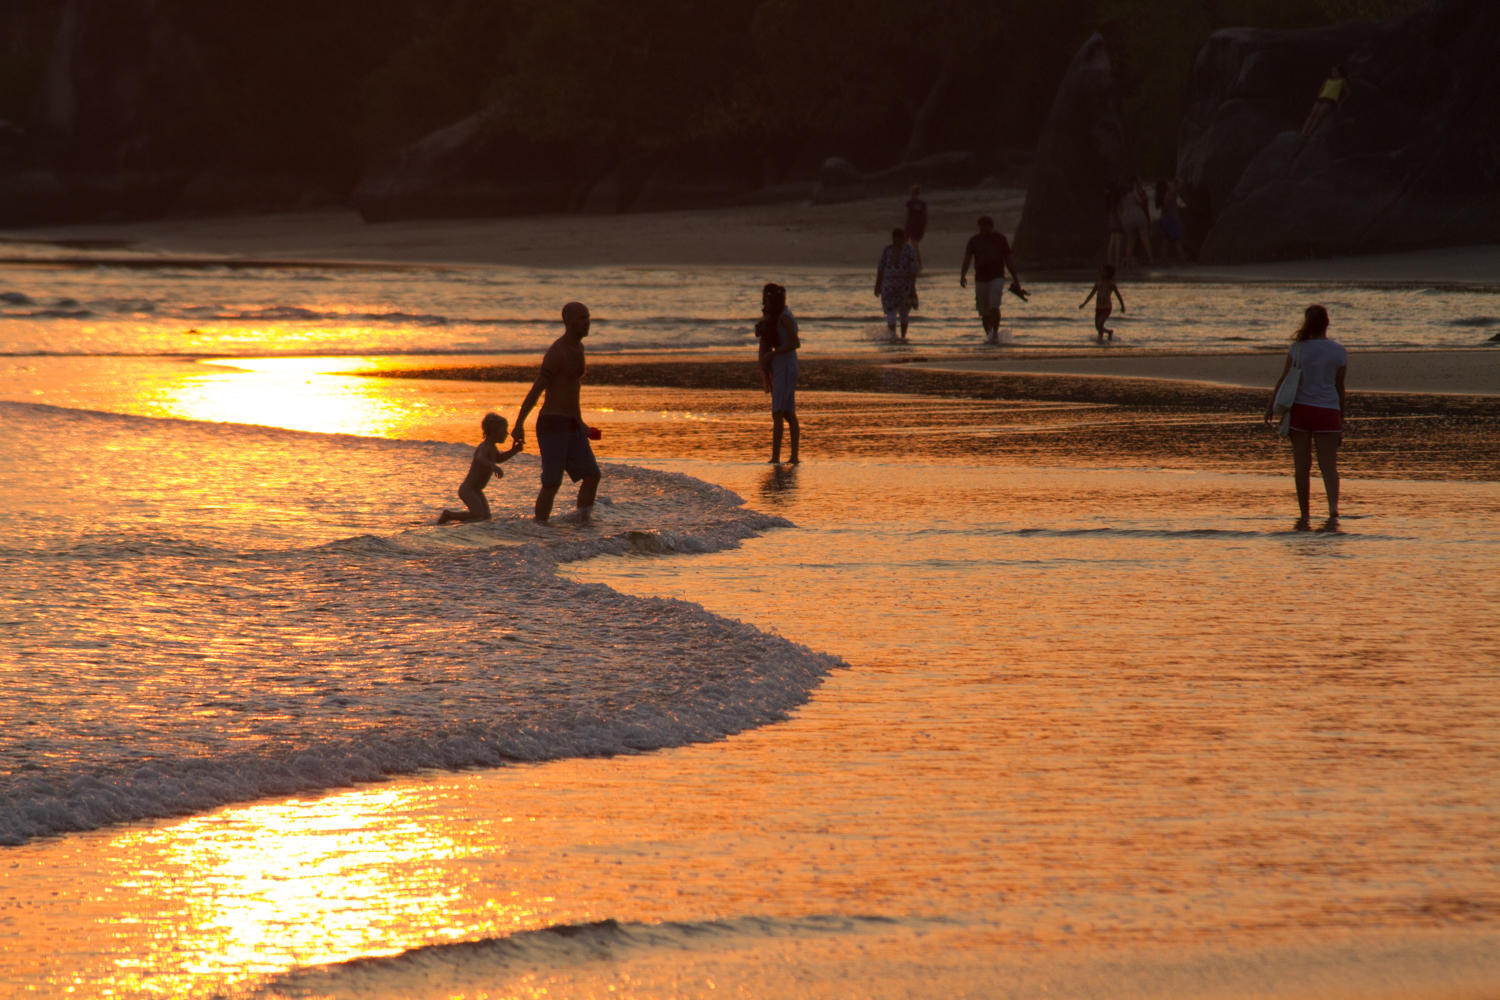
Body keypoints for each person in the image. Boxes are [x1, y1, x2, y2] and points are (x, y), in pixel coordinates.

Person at [512, 301, 602, 523]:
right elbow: (536, 391)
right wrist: (519, 424)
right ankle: (540, 528)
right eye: (582, 318)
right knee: (552, 483)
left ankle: (583, 522)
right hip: (552, 424)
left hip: (571, 423)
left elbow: (572, 389)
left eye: (588, 317)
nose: (587, 322)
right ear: (568, 321)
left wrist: (581, 423)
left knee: (592, 475)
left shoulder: (579, 348)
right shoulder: (557, 352)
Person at [1264, 304, 1347, 529]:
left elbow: (1284, 378)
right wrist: (1341, 418)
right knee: (1329, 466)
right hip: (1328, 411)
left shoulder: (1297, 348)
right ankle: (1333, 508)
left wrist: (1271, 405)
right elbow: (1340, 387)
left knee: (1302, 466)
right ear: (1327, 323)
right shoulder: (1339, 351)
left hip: (1301, 411)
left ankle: (1305, 513)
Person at [437, 412, 523, 523]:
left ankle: (457, 520)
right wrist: (493, 466)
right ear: (494, 432)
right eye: (504, 431)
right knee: (478, 516)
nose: (507, 433)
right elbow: (480, 458)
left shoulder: (492, 447)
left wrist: (514, 450)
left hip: (477, 490)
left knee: (485, 517)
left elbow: (499, 458)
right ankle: (449, 515)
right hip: (468, 489)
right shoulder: (485, 447)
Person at [959, 216, 1022, 344]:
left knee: (994, 306)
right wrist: (962, 275)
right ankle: (989, 336)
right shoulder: (974, 240)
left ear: (991, 227)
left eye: (985, 227)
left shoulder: (1000, 239)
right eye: (981, 227)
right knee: (984, 312)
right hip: (980, 279)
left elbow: (1008, 260)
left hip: (997, 277)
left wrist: (1016, 279)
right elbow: (967, 259)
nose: (983, 230)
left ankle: (995, 333)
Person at [759, 282, 800, 464]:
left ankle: (777, 457)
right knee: (787, 413)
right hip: (781, 365)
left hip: (786, 366)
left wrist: (773, 354)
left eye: (767, 300)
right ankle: (792, 456)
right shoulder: (777, 316)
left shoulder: (784, 317)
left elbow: (795, 343)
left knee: (779, 412)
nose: (765, 304)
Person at [875, 227, 920, 341]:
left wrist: (912, 288)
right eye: (895, 239)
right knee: (891, 312)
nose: (897, 241)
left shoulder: (909, 250)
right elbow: (881, 268)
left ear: (903, 239)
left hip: (904, 287)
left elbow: (914, 269)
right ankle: (893, 337)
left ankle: (903, 336)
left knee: (904, 313)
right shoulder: (888, 250)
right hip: (888, 288)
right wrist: (877, 285)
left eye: (899, 239)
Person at [1078, 264, 1125, 341]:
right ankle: (1101, 340)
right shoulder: (1098, 283)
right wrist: (1084, 304)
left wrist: (1122, 306)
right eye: (1102, 271)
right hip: (1098, 307)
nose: (1102, 272)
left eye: (1104, 271)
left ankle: (1109, 332)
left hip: (1107, 307)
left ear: (1109, 273)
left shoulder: (1111, 284)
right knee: (1097, 327)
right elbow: (1091, 294)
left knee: (1100, 324)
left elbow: (1118, 295)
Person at [1301, 65, 1348, 137]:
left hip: (1330, 99)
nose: (1333, 72)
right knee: (1312, 114)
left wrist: (1341, 102)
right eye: (1333, 71)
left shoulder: (1342, 81)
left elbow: (1348, 92)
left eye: (1335, 71)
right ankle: (1303, 132)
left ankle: (1309, 133)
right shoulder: (1328, 80)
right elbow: (1321, 89)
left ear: (1339, 72)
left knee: (1318, 116)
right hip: (1322, 97)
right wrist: (1319, 95)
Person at [1118, 179, 1154, 266]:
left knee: (1130, 240)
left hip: (1127, 219)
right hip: (1138, 217)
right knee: (1144, 238)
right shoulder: (1133, 194)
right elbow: (1141, 202)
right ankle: (1150, 258)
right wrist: (1136, 193)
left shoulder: (1121, 197)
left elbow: (1120, 209)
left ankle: (1127, 260)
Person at [1155, 177, 1186, 265]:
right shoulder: (1170, 193)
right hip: (1172, 219)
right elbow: (1179, 187)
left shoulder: (1160, 195)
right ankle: (1183, 261)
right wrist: (1177, 181)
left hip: (1163, 219)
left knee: (1165, 242)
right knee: (1177, 242)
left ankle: (1164, 260)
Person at [903, 184, 928, 269]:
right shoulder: (922, 203)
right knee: (915, 246)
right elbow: (925, 216)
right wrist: (924, 227)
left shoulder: (909, 203)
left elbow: (907, 216)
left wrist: (905, 226)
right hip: (918, 226)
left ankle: (914, 264)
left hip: (911, 226)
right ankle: (919, 265)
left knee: (905, 245)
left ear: (912, 193)